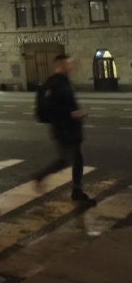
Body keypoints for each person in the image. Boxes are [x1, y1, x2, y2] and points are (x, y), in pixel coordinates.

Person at [33, 55, 96, 207]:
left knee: (68, 159)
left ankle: (42, 177)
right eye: (68, 64)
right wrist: (71, 114)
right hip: (64, 128)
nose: (71, 67)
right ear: (61, 65)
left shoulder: (62, 81)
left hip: (68, 127)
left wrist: (75, 113)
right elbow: (48, 107)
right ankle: (76, 192)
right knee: (74, 159)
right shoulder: (55, 83)